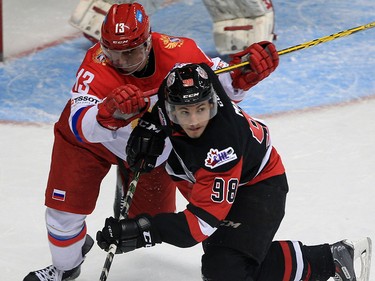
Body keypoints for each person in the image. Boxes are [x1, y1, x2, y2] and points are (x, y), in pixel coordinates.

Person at [23, 2, 279, 281]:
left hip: (151, 150)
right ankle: (64, 267)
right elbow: (78, 124)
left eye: (130, 52)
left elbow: (217, 90)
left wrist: (240, 78)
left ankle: (127, 174)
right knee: (63, 215)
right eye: (112, 52)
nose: (120, 61)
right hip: (88, 146)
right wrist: (108, 113)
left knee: (153, 217)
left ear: (148, 42)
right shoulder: (95, 66)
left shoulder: (180, 52)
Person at [96, 63, 372, 281]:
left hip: (259, 184)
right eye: (184, 112)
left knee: (225, 269)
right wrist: (150, 124)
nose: (194, 121)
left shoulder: (221, 149)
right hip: (221, 179)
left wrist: (142, 230)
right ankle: (333, 258)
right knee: (228, 259)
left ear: (212, 104)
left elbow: (196, 228)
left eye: (201, 110)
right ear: (170, 109)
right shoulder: (193, 86)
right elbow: (185, 76)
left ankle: (328, 261)